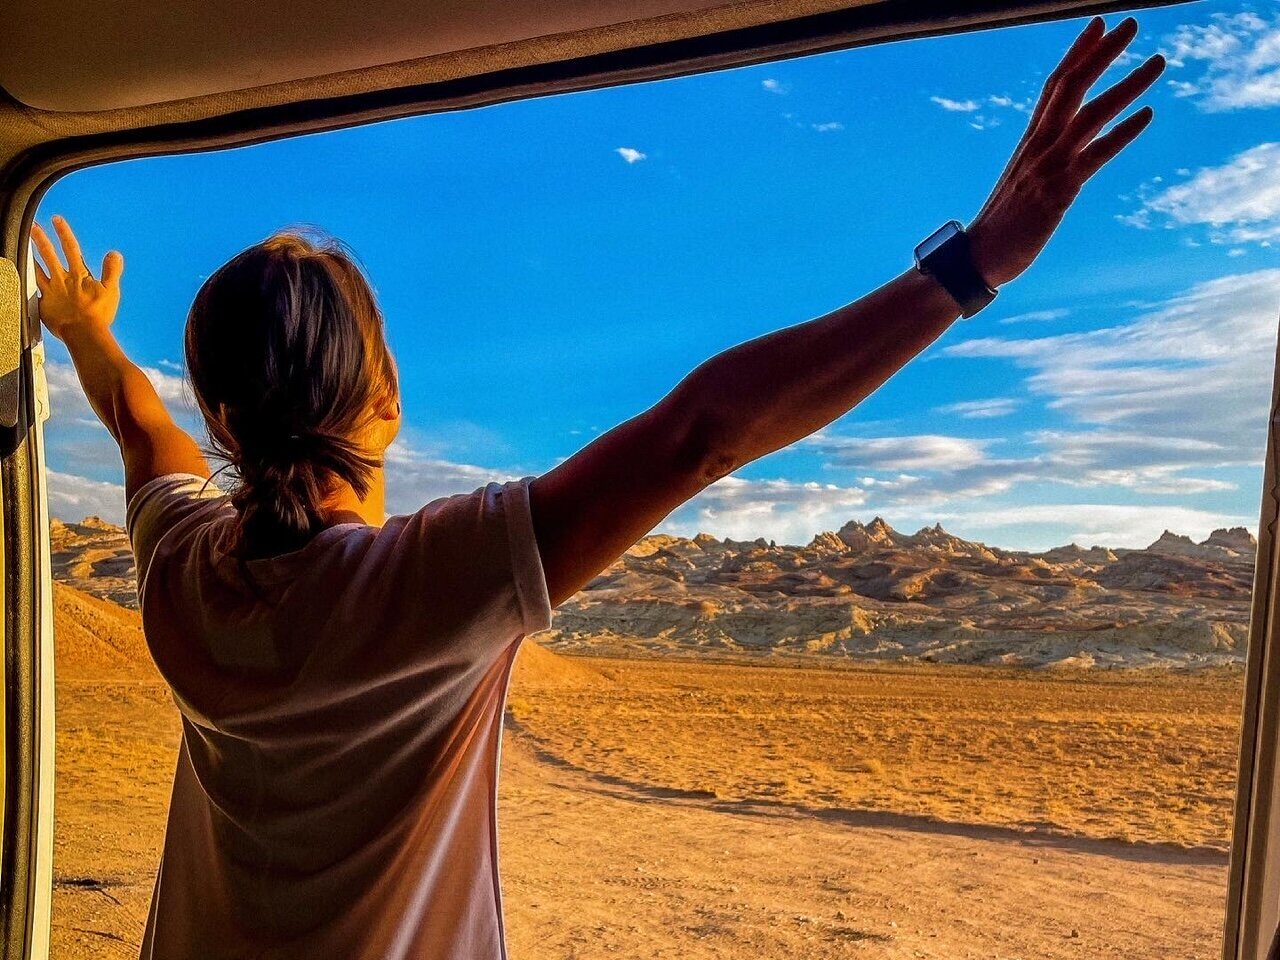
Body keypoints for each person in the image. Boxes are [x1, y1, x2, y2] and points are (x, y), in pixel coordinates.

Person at [32, 15, 1163, 960]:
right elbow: (698, 436)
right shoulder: (423, 586)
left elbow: (140, 429)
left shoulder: (181, 573)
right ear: (385, 394)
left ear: (224, 417)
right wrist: (975, 263)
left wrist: (85, 334)